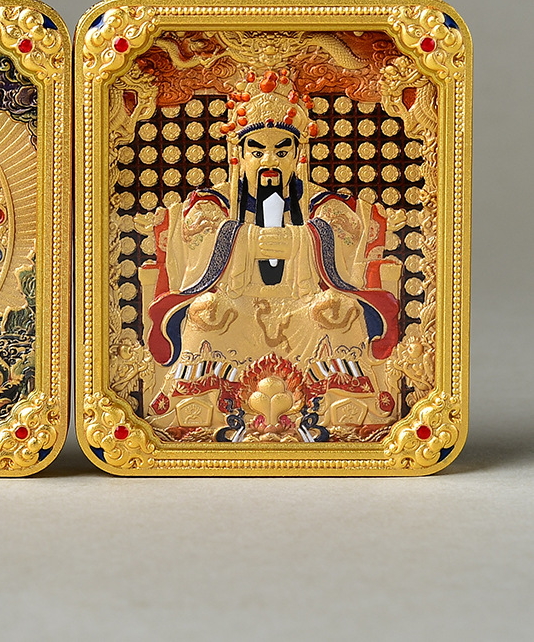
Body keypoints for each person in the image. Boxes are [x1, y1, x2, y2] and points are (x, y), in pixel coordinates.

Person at [141, 68, 402, 433]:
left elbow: (349, 233)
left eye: (282, 150)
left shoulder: (322, 203)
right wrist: (243, 240)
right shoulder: (212, 204)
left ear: (298, 155)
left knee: (339, 313)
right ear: (238, 153)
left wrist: (304, 241)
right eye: (257, 150)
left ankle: (346, 407)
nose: (270, 161)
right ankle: (193, 406)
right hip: (237, 308)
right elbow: (193, 241)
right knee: (205, 314)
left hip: (304, 308)